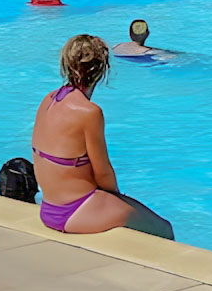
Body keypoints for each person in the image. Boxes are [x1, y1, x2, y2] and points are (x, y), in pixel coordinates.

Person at [30, 35, 174, 237]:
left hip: (49, 209)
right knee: (164, 229)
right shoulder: (89, 112)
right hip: (77, 211)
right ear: (102, 69)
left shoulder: (49, 99)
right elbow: (103, 172)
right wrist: (118, 200)